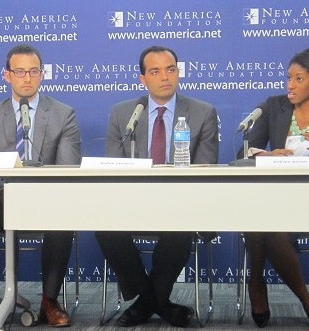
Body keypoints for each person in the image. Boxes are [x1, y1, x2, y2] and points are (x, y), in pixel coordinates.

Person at [95, 45, 219, 327]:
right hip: (132, 203)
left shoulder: (202, 113)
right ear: (143, 79)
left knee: (181, 228)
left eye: (171, 69)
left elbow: (204, 170)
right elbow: (114, 170)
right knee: (104, 228)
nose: (165, 76)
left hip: (181, 203)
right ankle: (159, 303)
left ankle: (144, 304)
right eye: (155, 71)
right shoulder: (122, 114)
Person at [0, 44, 81, 327]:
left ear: (42, 74)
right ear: (7, 75)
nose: (27, 78)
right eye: (20, 72)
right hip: (2, 199)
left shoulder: (64, 115)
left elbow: (66, 167)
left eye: (34, 71)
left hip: (47, 200)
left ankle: (49, 301)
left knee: (65, 213)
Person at [237, 47, 309, 328]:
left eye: (298, 79)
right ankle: (307, 302)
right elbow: (244, 151)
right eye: (288, 78)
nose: (289, 85)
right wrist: (268, 155)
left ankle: (256, 283)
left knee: (262, 221)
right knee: (264, 217)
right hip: (275, 197)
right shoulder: (273, 106)